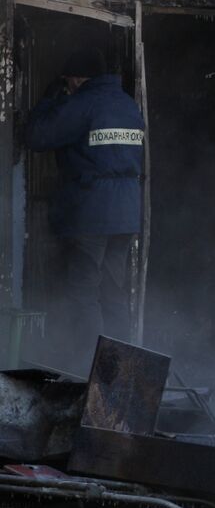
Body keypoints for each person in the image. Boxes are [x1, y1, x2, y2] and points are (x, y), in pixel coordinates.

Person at [25, 47, 145, 367]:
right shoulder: (128, 104)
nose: (69, 86)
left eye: (69, 82)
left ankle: (87, 367)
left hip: (93, 212)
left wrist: (50, 100)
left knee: (83, 290)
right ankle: (121, 368)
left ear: (78, 79)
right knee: (112, 291)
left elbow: (37, 136)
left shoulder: (84, 103)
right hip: (126, 213)